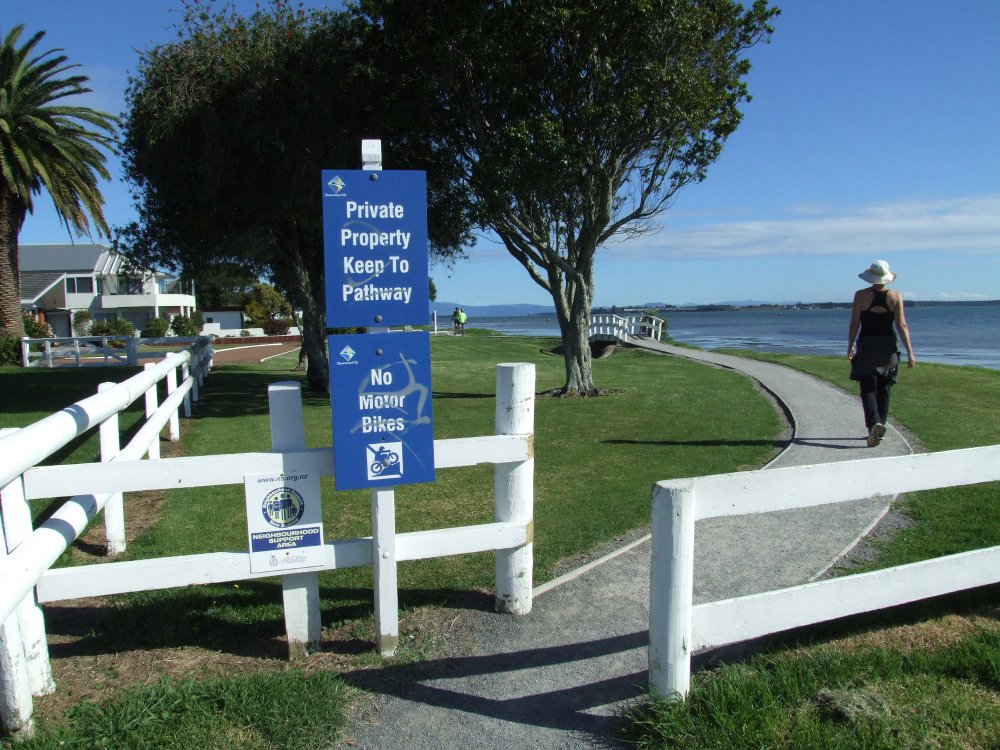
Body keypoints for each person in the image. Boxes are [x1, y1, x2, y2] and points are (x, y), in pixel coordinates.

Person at [848, 260, 916, 447]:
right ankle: (881, 426)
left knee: (868, 387)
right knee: (884, 387)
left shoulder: (861, 296)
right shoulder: (895, 296)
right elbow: (901, 325)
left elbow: (854, 323)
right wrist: (910, 351)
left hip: (867, 345)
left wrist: (850, 345)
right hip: (888, 346)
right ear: (886, 277)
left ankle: (874, 425)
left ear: (871, 276)